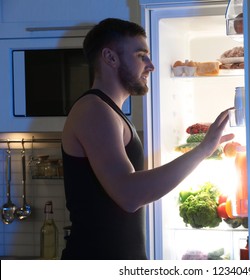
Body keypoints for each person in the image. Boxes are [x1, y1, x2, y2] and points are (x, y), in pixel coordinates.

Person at [61, 18, 234, 260]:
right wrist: (203, 150)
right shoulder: (94, 109)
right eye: (141, 55)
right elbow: (129, 195)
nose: (151, 65)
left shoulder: (111, 112)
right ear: (110, 57)